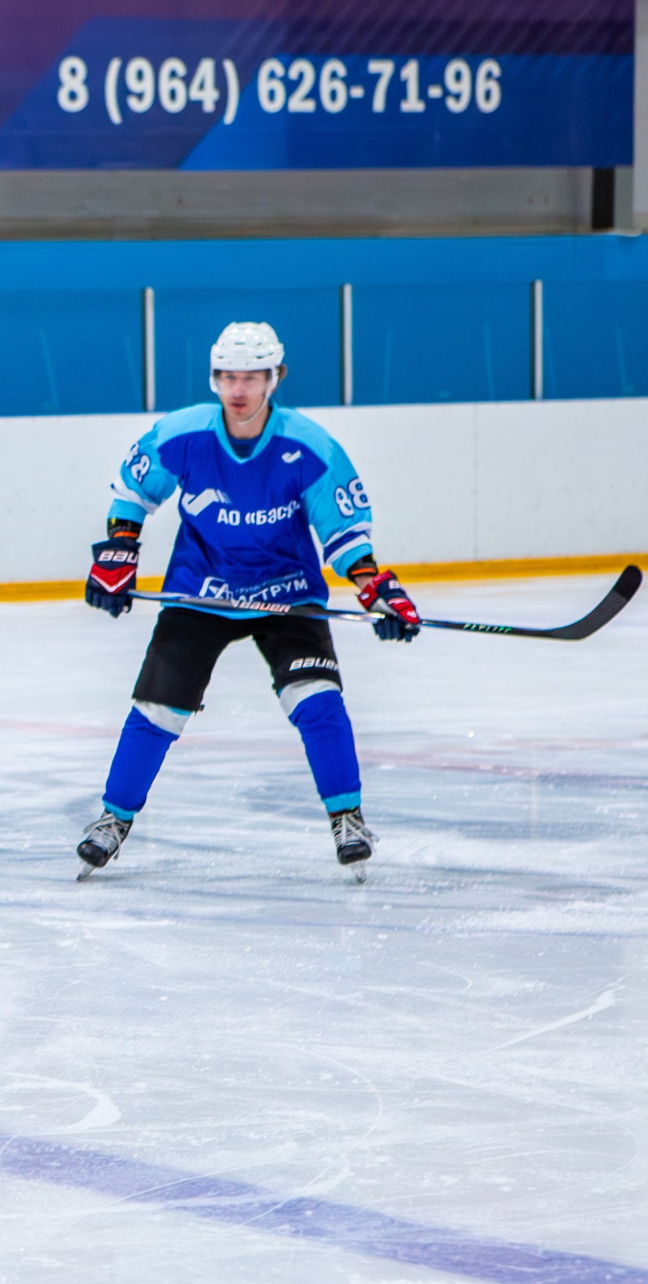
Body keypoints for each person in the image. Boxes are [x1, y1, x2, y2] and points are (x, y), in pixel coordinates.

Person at [77, 321, 415, 876]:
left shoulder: (309, 447)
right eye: (229, 377)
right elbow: (132, 491)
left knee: (318, 699)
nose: (239, 390)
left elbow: (345, 533)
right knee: (158, 708)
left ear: (274, 378)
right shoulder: (182, 435)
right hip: (200, 591)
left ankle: (347, 818)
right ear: (215, 379)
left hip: (287, 594)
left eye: (252, 377)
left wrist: (374, 587)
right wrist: (118, 551)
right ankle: (113, 820)